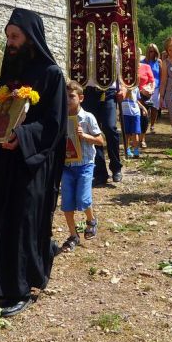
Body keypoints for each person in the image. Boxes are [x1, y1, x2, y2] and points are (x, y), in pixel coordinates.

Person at [0, 8, 67, 317]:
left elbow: (53, 124)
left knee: (24, 223)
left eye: (15, 37)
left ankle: (22, 288)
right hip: (6, 161)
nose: (10, 43)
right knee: (3, 219)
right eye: (8, 37)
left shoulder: (51, 75)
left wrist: (22, 137)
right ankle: (4, 284)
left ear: (30, 38)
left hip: (33, 164)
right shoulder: (9, 77)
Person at [59, 81, 104, 253]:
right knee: (67, 203)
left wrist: (84, 136)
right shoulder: (62, 118)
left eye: (72, 96)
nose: (68, 100)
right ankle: (73, 235)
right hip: (67, 165)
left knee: (83, 198)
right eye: (66, 97)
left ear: (81, 98)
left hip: (85, 164)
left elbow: (100, 141)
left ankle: (91, 220)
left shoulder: (88, 118)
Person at [82, 55, 126, 186]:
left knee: (110, 127)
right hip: (89, 91)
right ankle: (100, 171)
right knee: (92, 131)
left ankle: (116, 167)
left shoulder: (114, 44)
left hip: (108, 91)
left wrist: (123, 88)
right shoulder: (83, 39)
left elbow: (123, 70)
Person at [140, 44, 162, 133]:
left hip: (156, 87)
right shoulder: (143, 62)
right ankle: (144, 125)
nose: (151, 53)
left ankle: (152, 124)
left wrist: (160, 88)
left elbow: (161, 75)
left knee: (154, 108)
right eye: (150, 51)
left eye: (153, 51)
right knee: (145, 108)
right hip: (145, 88)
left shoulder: (159, 62)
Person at [121, 84, 147, 158]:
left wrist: (143, 108)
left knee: (135, 133)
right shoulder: (121, 86)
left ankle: (136, 151)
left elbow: (136, 100)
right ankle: (127, 150)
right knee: (126, 134)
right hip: (125, 113)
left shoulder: (136, 87)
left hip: (135, 113)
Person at [138, 61, 155, 148]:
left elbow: (152, 81)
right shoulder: (128, 67)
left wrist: (151, 90)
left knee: (144, 118)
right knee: (135, 117)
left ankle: (142, 139)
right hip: (132, 95)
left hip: (145, 96)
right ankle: (132, 140)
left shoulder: (146, 67)